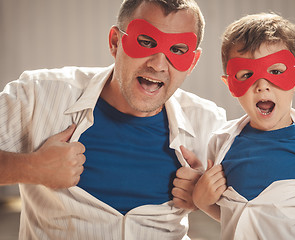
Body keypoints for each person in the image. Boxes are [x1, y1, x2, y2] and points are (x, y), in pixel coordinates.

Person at [0, 0, 227, 239]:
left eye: (178, 50)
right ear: (115, 42)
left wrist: (205, 199)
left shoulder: (209, 124)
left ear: (192, 61)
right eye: (146, 42)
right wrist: (33, 168)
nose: (158, 65)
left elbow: (255, 214)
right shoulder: (38, 95)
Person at [192, 13, 295, 239]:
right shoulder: (220, 143)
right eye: (246, 74)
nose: (262, 86)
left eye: (276, 72)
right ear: (231, 85)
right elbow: (235, 216)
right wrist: (202, 202)